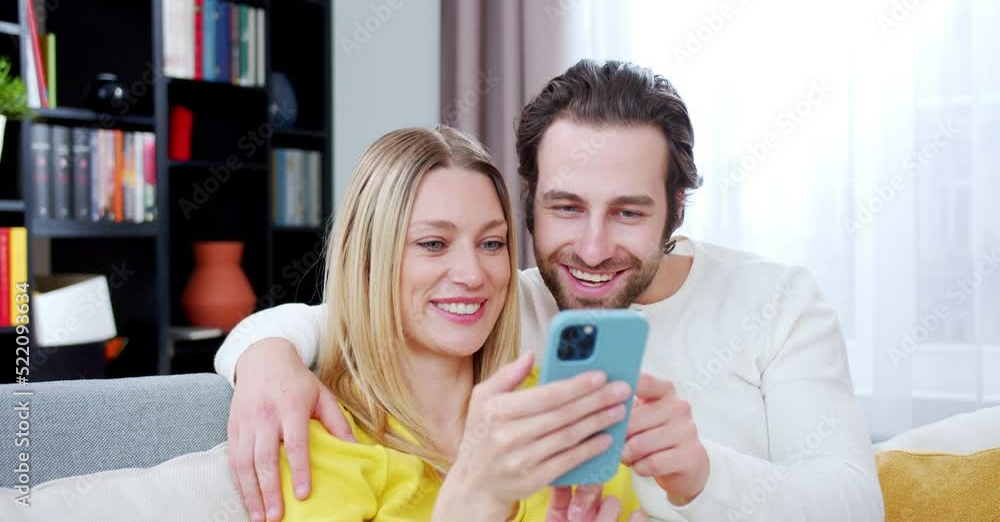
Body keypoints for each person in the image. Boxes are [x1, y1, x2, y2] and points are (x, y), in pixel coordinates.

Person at [217, 59, 885, 521]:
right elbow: (364, 307)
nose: (591, 250)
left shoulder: (777, 302)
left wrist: (701, 472)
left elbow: (855, 504)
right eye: (566, 207)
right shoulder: (505, 302)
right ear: (530, 202)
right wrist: (264, 356)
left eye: (627, 212)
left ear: (676, 209)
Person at [248, 124, 649, 521]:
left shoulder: (566, 413)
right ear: (367, 261)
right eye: (434, 244)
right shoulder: (321, 443)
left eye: (491, 243)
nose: (472, 275)